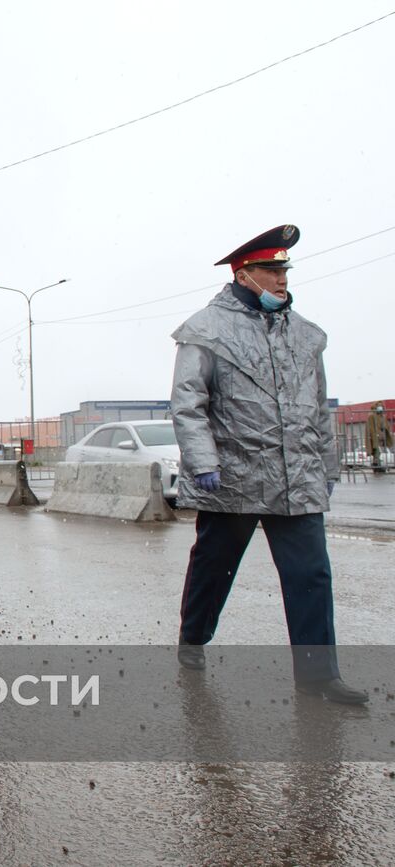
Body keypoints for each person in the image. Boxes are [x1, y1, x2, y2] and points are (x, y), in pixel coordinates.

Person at [171, 224, 366, 704]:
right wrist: (202, 462)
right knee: (214, 567)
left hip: (296, 478)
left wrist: (328, 468)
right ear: (244, 273)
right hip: (233, 479)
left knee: (311, 575)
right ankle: (193, 637)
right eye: (271, 270)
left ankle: (319, 677)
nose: (281, 279)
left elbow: (319, 408)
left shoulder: (305, 335)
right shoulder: (206, 329)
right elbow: (188, 401)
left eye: (284, 270)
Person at [366, 403, 392, 471]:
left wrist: (383, 432)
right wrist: (376, 434)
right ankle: (376, 465)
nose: (380, 407)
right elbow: (371, 427)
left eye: (381, 406)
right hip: (374, 436)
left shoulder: (382, 416)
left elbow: (385, 425)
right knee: (376, 450)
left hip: (381, 436)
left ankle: (377, 465)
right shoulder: (371, 416)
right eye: (379, 406)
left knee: (378, 451)